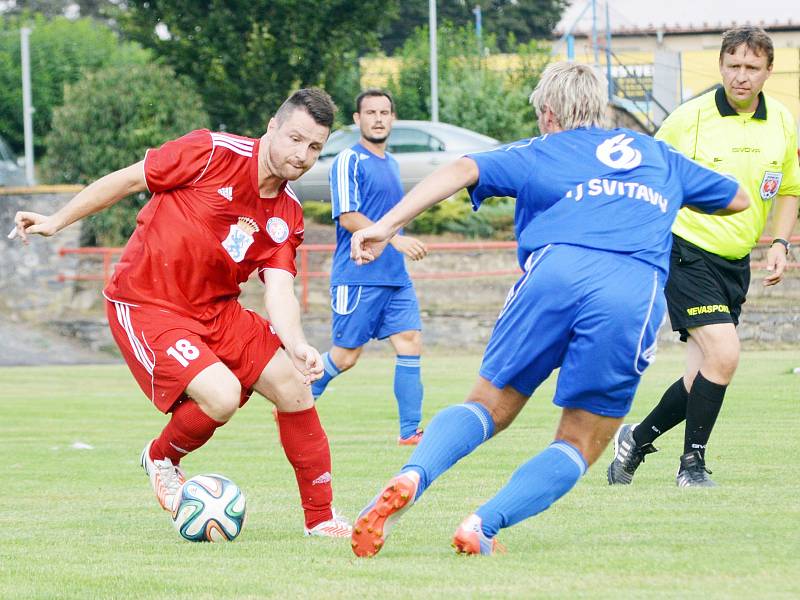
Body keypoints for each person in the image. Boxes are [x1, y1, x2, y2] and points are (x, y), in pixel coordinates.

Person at [345, 62, 749, 558]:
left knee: (487, 406)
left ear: (550, 114)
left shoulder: (544, 149)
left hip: (553, 272)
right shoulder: (659, 155)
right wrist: (662, 198)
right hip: (628, 290)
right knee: (582, 440)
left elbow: (461, 169)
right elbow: (739, 198)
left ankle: (413, 474)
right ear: (598, 109)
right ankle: (482, 524)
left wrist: (386, 226)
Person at [11, 88, 353, 538]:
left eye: (314, 147)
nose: (301, 154)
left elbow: (280, 290)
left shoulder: (286, 213)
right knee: (222, 395)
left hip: (217, 310)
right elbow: (129, 180)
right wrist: (57, 220)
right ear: (271, 127)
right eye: (294, 138)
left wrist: (297, 344)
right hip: (147, 302)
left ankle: (321, 520)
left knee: (294, 384)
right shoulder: (211, 152)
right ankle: (161, 458)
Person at [607, 26, 800, 488]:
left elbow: (790, 189)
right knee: (726, 354)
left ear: (768, 71)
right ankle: (691, 464)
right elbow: (647, 178)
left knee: (705, 372)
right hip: (685, 250)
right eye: (733, 66)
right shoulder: (687, 119)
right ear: (720, 66)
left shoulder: (782, 121)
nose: (741, 76)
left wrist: (779, 242)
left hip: (735, 262)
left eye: (752, 68)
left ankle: (636, 438)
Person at [311, 89, 428, 445]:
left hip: (395, 277)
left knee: (410, 342)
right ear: (356, 119)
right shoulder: (349, 160)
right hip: (358, 274)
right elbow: (347, 217)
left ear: (393, 118)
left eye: (384, 112)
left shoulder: (392, 164)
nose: (378, 118)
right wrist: (394, 239)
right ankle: (296, 403)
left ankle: (410, 433)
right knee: (346, 357)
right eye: (370, 112)